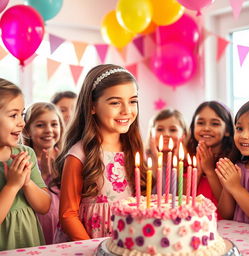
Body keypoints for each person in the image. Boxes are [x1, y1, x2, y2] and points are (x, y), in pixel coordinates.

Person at [53, 64, 147, 241]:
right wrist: (94, 249)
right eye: (115, 102)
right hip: (87, 245)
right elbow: (68, 215)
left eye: (133, 101)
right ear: (92, 106)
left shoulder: (133, 150)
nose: (127, 110)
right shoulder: (79, 155)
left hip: (126, 243)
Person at [0, 79, 51, 250]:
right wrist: (12, 186)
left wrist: (27, 182)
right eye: (13, 115)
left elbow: (44, 207)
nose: (22, 122)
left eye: (21, 114)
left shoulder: (25, 154)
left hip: (30, 243)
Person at [22, 102, 64, 244]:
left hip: (61, 224)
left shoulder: (66, 159)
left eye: (54, 124)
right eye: (40, 125)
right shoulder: (25, 161)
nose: (48, 130)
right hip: (37, 224)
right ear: (27, 130)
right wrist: (44, 176)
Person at [186, 101, 234, 218]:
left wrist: (209, 170)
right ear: (193, 128)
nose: (206, 128)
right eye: (201, 123)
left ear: (227, 130)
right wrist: (198, 171)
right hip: (193, 225)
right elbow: (182, 200)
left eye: (215, 124)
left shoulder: (230, 163)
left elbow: (227, 208)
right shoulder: (187, 160)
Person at [216, 99, 249, 224]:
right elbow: (226, 214)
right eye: (239, 128)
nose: (244, 135)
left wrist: (236, 188)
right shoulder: (238, 168)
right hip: (238, 239)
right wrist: (229, 186)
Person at [145, 108, 187, 193]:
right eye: (160, 129)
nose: (166, 134)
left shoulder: (187, 162)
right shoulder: (144, 160)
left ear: (183, 135)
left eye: (173, 130)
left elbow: (183, 196)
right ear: (151, 133)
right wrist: (157, 159)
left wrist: (177, 160)